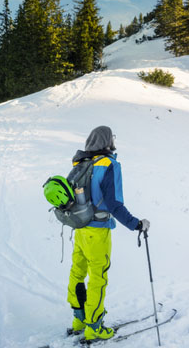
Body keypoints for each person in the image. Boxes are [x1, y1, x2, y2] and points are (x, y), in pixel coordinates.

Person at [66, 126, 150, 342]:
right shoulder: (108, 165)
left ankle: (79, 320)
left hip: (80, 228)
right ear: (107, 142)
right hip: (97, 231)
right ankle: (94, 326)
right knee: (98, 278)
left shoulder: (81, 163)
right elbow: (113, 204)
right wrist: (136, 224)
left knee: (77, 272)